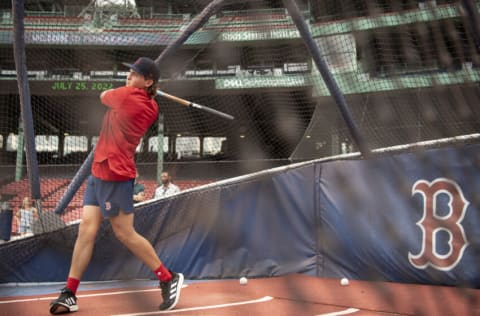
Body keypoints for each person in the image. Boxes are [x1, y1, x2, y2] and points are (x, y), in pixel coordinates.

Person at [49, 57, 183, 314]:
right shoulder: (141, 99)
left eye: (134, 74)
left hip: (115, 174)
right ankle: (70, 292)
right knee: (86, 231)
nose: (128, 76)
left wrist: (136, 91)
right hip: (99, 171)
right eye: (129, 72)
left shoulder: (133, 99)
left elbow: (103, 95)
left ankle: (167, 278)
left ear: (148, 81)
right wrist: (141, 89)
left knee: (124, 233)